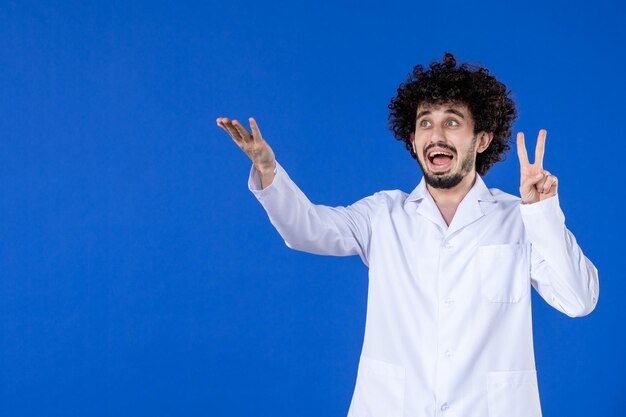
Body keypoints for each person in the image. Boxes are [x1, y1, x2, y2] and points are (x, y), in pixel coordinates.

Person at [216, 53, 599, 417]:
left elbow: (579, 300)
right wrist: (269, 170)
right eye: (425, 123)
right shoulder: (383, 214)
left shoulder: (519, 218)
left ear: (481, 140)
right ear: (413, 140)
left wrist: (542, 212)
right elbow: (306, 229)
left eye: (452, 122)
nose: (436, 134)